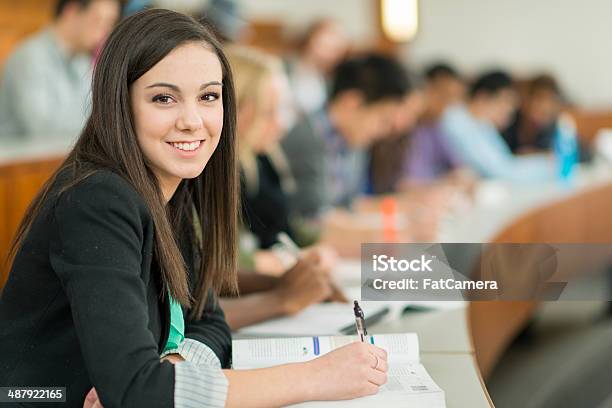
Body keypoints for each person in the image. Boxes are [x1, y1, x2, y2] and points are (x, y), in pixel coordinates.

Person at [0, 9, 388, 408]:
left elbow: (209, 320)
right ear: (120, 103)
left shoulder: (171, 190)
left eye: (208, 97)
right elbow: (138, 391)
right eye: (164, 98)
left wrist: (178, 361)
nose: (192, 120)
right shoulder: (98, 198)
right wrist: (319, 377)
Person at [282, 53, 411, 219]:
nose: (384, 131)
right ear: (351, 103)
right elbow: (312, 219)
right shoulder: (308, 137)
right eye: (383, 120)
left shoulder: (351, 142)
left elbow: (350, 205)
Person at [0, 0, 122, 141]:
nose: (105, 32)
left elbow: (92, 111)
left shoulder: (81, 60)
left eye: (110, 23)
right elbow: (42, 127)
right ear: (71, 12)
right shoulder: (29, 57)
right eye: (98, 20)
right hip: (19, 160)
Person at [441, 70, 555, 182]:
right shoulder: (457, 121)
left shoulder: (483, 125)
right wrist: (548, 164)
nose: (509, 111)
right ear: (482, 97)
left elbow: (506, 162)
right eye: (505, 102)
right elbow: (502, 172)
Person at [402, 63, 466, 184]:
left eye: (453, 98)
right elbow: (402, 183)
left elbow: (460, 167)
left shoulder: (434, 128)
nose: (447, 104)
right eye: (443, 95)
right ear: (424, 90)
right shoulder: (401, 126)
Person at [285, 19, 350, 118]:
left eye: (336, 49)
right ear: (310, 39)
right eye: (325, 45)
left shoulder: (331, 83)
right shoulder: (282, 68)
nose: (328, 55)